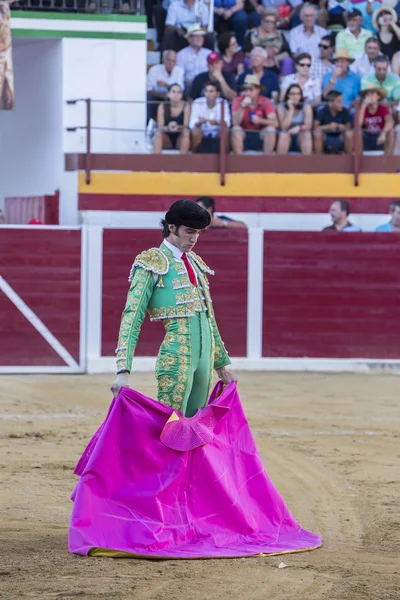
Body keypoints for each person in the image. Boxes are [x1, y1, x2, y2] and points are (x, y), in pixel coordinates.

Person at [111, 200, 235, 414]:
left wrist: (220, 365)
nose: (194, 238)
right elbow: (132, 316)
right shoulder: (151, 262)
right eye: (189, 231)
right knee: (170, 426)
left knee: (196, 428)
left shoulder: (195, 262)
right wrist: (123, 370)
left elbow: (209, 317)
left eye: (198, 232)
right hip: (177, 358)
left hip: (205, 359)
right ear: (171, 227)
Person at [231, 74, 277, 153]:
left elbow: (275, 123)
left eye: (251, 90)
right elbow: (235, 123)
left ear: (258, 90)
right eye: (246, 90)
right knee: (236, 130)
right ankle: (238, 162)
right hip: (244, 134)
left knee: (270, 130)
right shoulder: (237, 100)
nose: (247, 93)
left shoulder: (265, 101)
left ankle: (267, 162)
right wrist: (242, 106)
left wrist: (260, 120)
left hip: (260, 134)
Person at [242, 7, 293, 76]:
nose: (269, 24)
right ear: (261, 21)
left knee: (288, 61)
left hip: (275, 63)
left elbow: (287, 52)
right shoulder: (253, 33)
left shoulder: (279, 34)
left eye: (272, 22)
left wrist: (276, 58)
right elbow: (246, 52)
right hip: (256, 62)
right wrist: (261, 57)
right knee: (247, 60)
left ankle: (284, 84)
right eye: (267, 21)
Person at [189, 81, 231, 153]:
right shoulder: (197, 102)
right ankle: (195, 156)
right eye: (206, 91)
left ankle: (224, 157)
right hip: (202, 131)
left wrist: (217, 122)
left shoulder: (223, 103)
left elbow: (227, 123)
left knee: (224, 130)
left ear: (217, 94)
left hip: (217, 131)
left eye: (211, 91)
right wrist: (200, 122)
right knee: (195, 131)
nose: (208, 94)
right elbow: (192, 124)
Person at [146, 50, 184, 122]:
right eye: (168, 60)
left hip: (174, 98)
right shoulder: (154, 70)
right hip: (157, 97)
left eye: (173, 61)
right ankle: (149, 123)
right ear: (163, 60)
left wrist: (166, 86)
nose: (171, 63)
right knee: (148, 97)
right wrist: (164, 95)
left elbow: (180, 89)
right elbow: (149, 89)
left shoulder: (179, 70)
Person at [153, 83, 190, 153]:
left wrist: (177, 127)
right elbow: (160, 126)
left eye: (179, 92)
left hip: (180, 137)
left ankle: (183, 161)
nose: (176, 95)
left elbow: (186, 126)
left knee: (186, 132)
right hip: (167, 138)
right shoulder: (162, 106)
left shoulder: (186, 106)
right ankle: (155, 160)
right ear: (168, 94)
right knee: (158, 133)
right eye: (173, 92)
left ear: (181, 95)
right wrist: (168, 127)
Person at [276, 84, 313, 154]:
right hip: (286, 136)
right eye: (292, 94)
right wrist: (291, 109)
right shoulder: (280, 107)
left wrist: (299, 128)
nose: (295, 96)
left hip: (300, 136)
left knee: (307, 133)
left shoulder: (306, 106)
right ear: (288, 95)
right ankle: (280, 163)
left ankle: (308, 163)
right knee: (283, 134)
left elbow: (309, 125)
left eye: (298, 94)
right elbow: (283, 127)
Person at [359, 84, 395, 155]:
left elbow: (390, 121)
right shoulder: (362, 109)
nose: (369, 97)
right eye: (367, 94)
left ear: (378, 96)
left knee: (391, 133)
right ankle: (358, 161)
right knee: (358, 132)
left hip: (380, 136)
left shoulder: (382, 108)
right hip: (366, 136)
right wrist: (363, 106)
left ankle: (388, 160)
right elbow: (358, 124)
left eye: (372, 94)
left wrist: (383, 133)